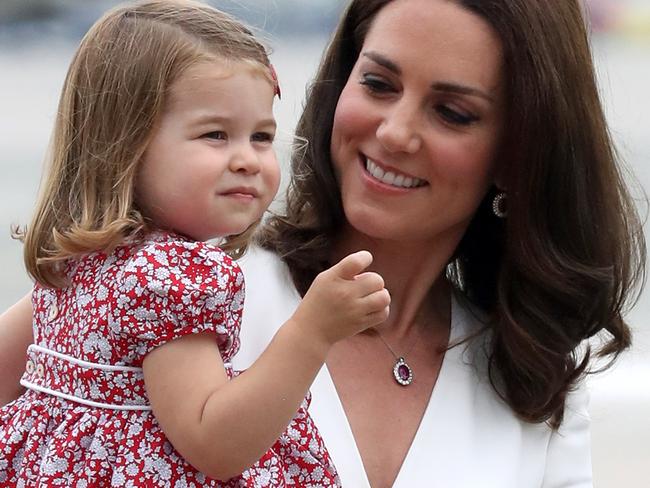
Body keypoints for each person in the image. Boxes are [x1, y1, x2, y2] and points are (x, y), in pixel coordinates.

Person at [0, 0, 645, 486]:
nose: (394, 132)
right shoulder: (186, 283)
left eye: (452, 112)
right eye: (379, 84)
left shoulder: (536, 383)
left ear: (516, 153)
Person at [0, 1, 391, 486]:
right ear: (125, 145)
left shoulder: (79, 260)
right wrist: (312, 330)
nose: (247, 159)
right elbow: (217, 444)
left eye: (261, 137)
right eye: (215, 135)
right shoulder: (172, 276)